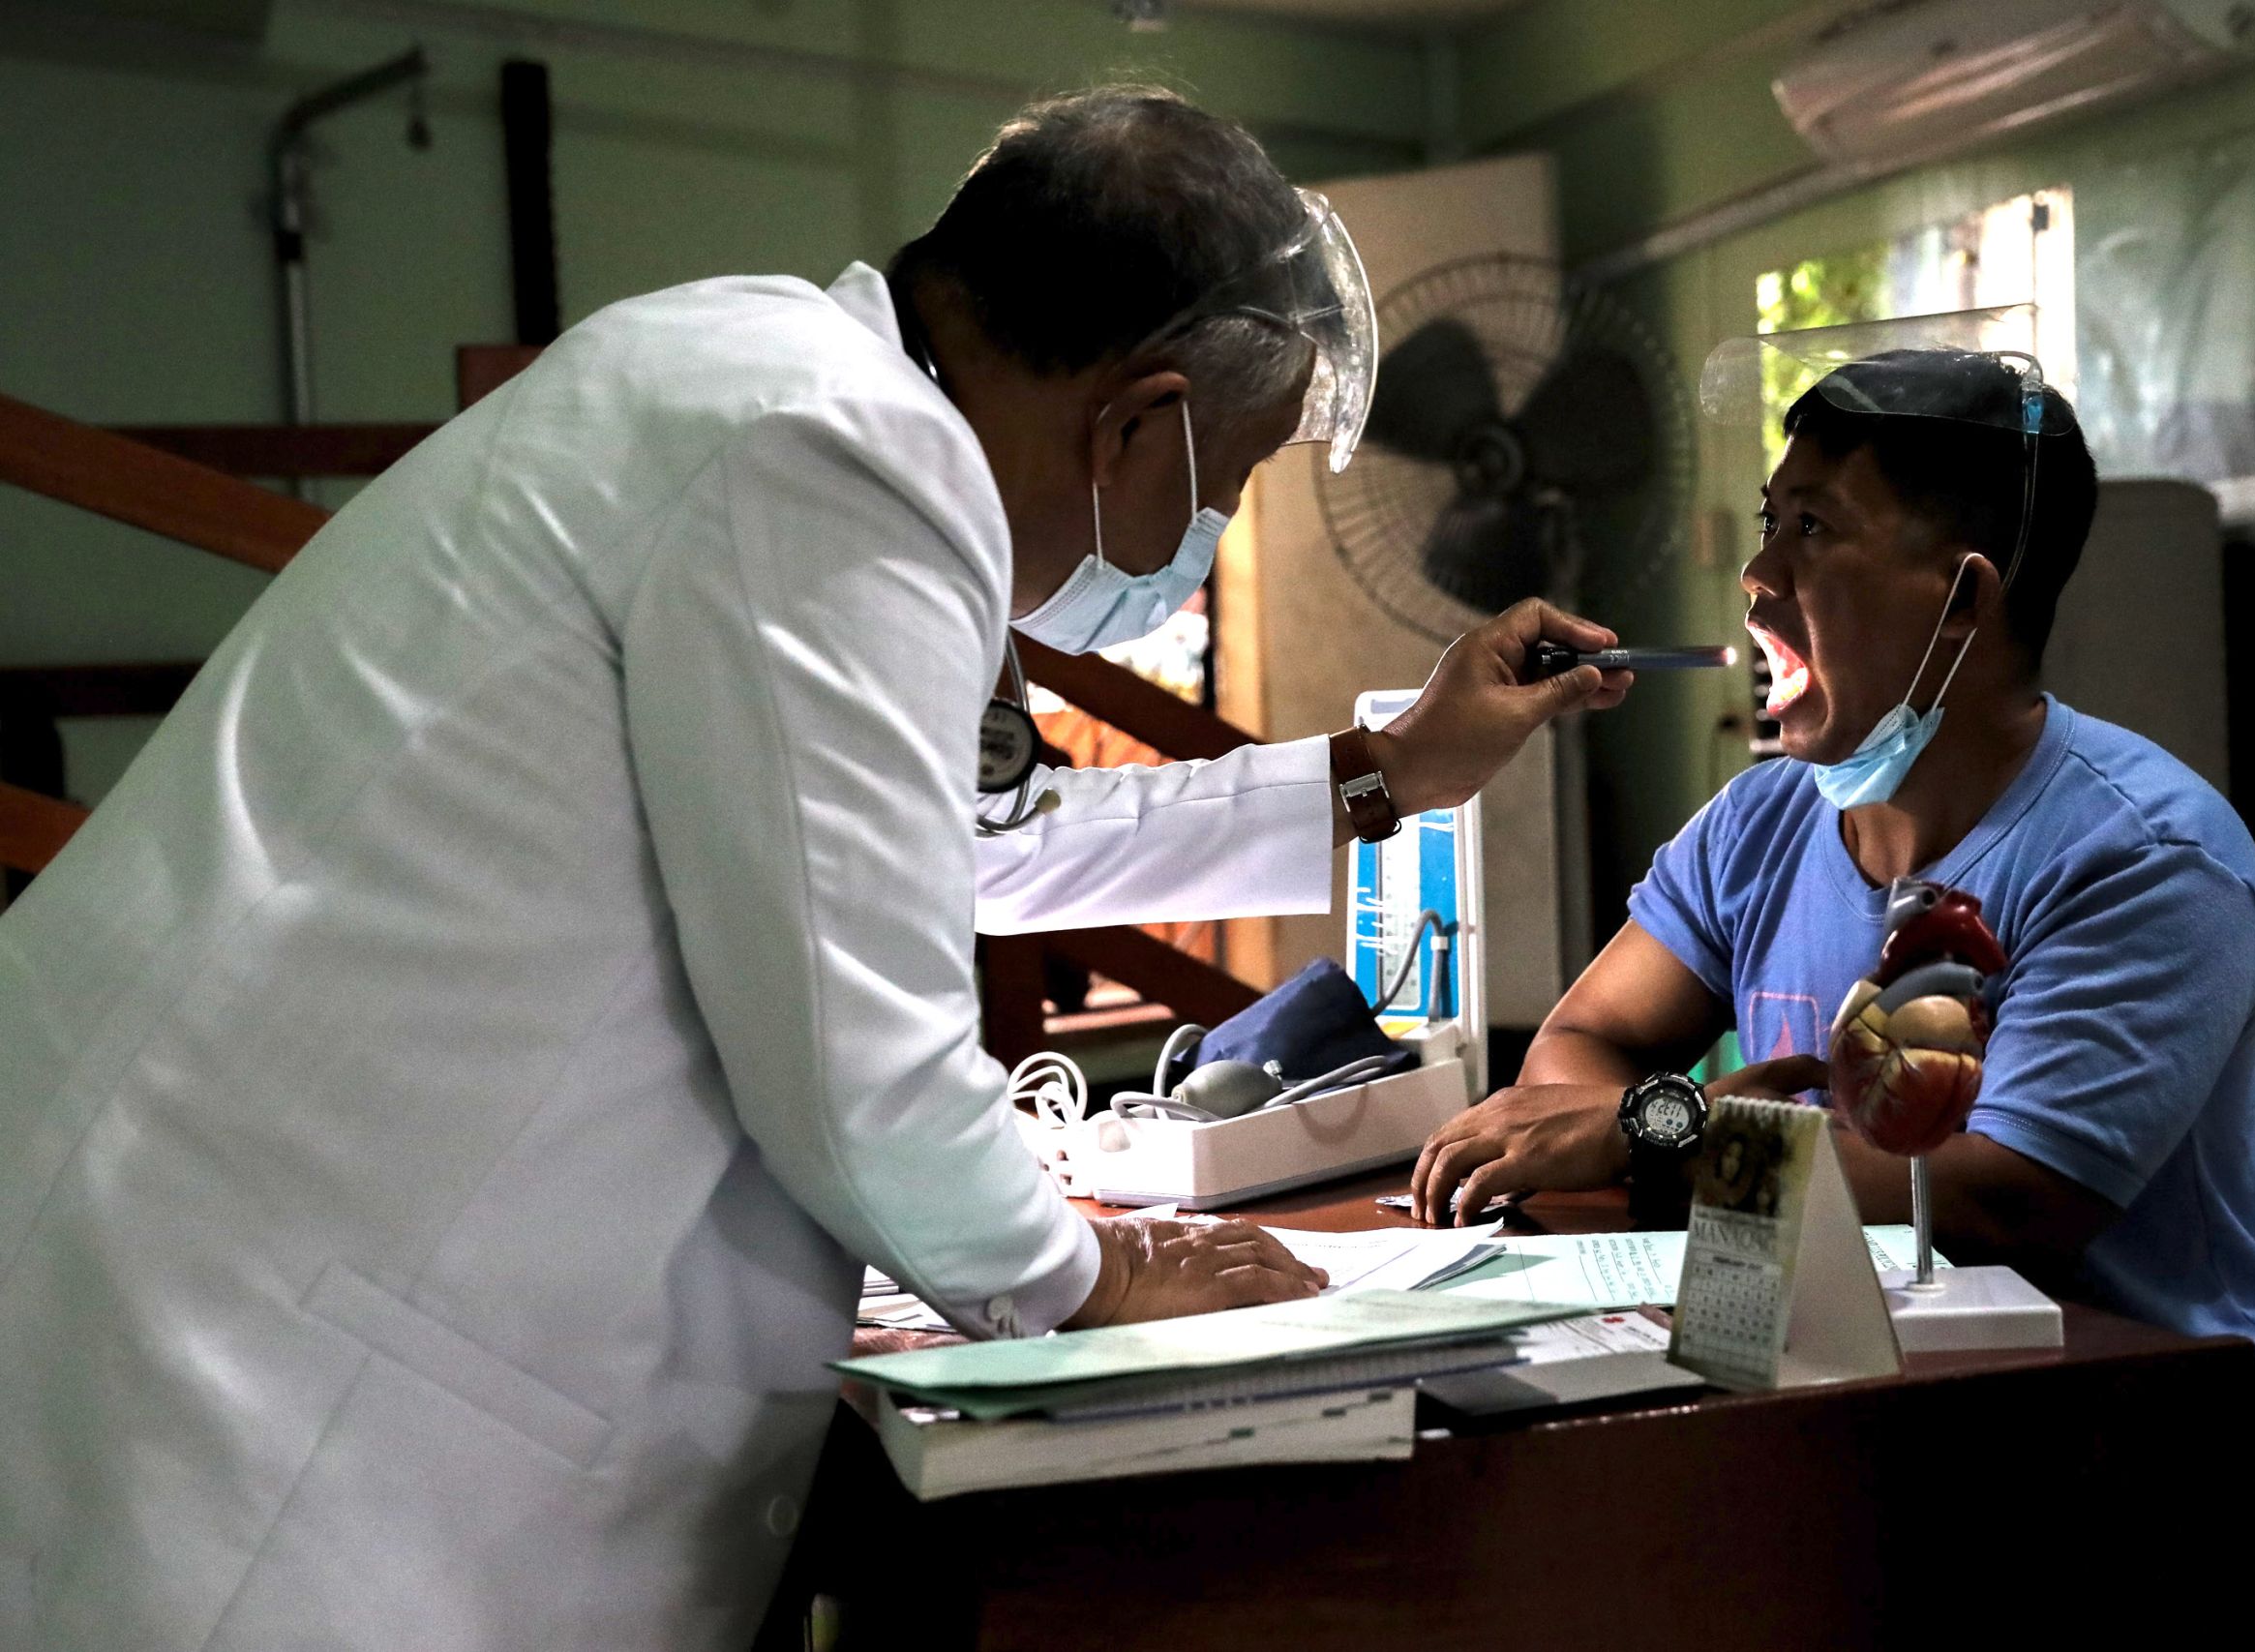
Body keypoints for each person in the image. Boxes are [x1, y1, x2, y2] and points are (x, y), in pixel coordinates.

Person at [0, 87, 1629, 1652]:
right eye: (1240, 476)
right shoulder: (847, 457)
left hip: (222, 1296)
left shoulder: (745, 375)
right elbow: (868, 1073)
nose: (1216, 525)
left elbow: (958, 848)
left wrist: (1386, 772)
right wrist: (1092, 1274)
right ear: (1140, 420)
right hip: (272, 1406)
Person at [1411, 350, 2255, 1649]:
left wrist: (1669, 1130)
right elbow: (1578, 1045)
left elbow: (1999, 1198)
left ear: (1961, 600)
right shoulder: (1758, 823)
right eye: (1769, 523)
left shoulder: (2144, 860)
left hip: (2166, 1466)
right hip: (1855, 1424)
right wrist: (1716, 1138)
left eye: (1813, 529)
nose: (1758, 576)